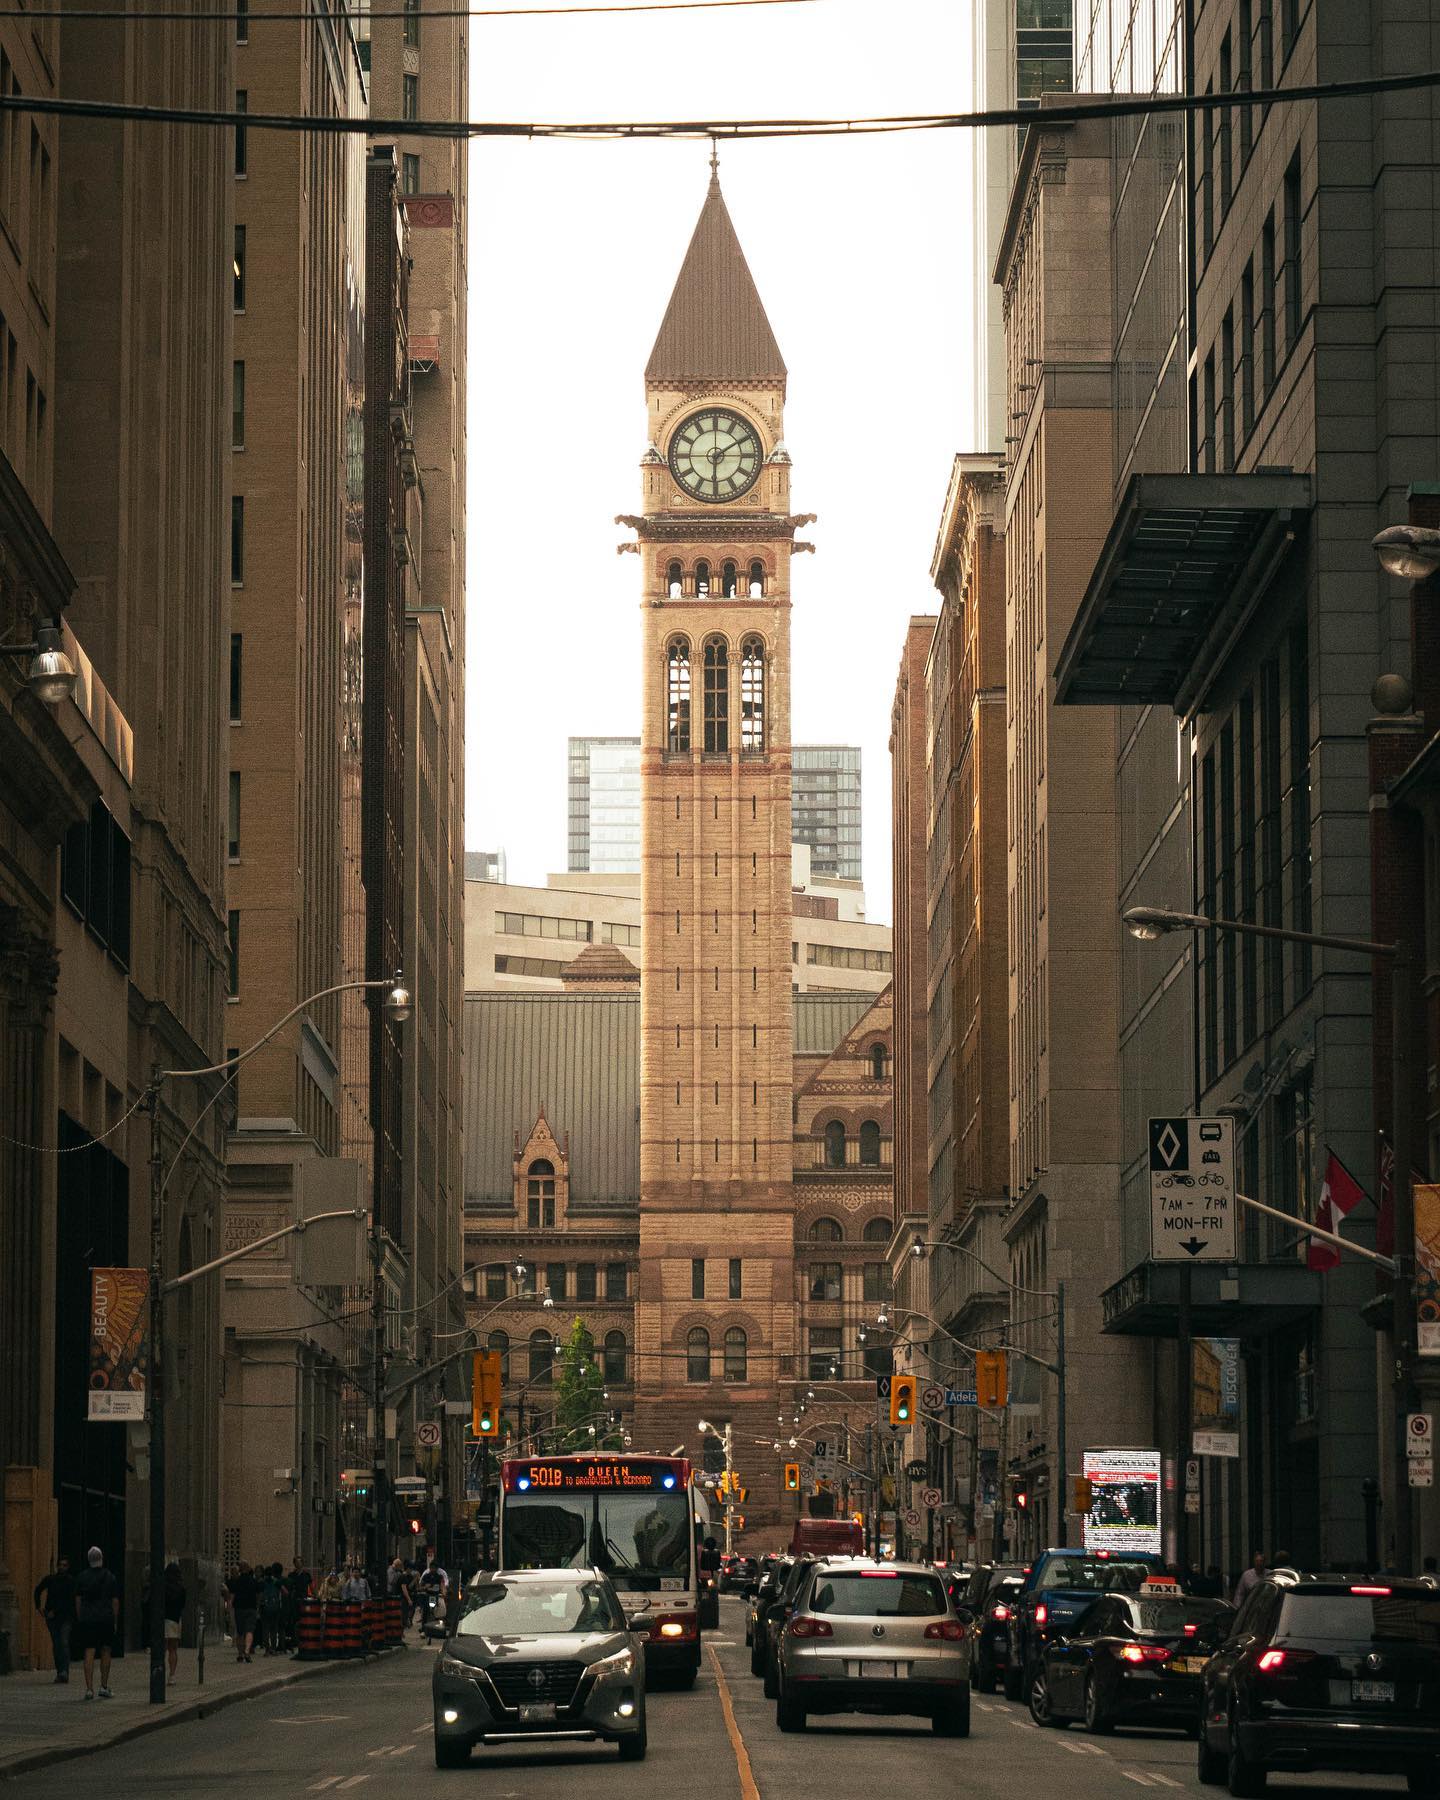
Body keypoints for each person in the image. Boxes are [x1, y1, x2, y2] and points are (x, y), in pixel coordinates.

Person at [73, 1545, 119, 1700]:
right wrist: (115, 1619)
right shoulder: (110, 1577)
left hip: (88, 1619)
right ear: (101, 1559)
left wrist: (81, 1616)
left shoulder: (82, 1577)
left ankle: (89, 1689)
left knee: (89, 1651)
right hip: (105, 1618)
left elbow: (78, 1600)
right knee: (106, 1651)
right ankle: (104, 1686)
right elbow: (115, 1601)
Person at [33, 1554, 75, 1684]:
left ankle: (64, 1672)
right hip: (52, 1619)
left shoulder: (70, 1581)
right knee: (57, 1645)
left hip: (65, 1617)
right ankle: (60, 1671)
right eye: (60, 1565)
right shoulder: (51, 1579)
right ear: (57, 1566)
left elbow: (69, 1600)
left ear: (68, 1567)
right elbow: (38, 1590)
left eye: (64, 1565)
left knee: (63, 1642)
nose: (62, 1567)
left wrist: (52, 1611)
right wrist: (39, 1607)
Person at [228, 1561, 260, 1663]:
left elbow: (232, 1596)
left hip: (239, 1608)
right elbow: (258, 1595)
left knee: (240, 1632)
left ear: (240, 1570)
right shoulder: (253, 1581)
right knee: (250, 1631)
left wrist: (230, 1606)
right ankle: (247, 1651)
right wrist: (257, 1606)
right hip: (251, 1608)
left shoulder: (236, 1581)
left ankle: (240, 1654)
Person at [162, 1562, 186, 1684]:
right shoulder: (181, 1588)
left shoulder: (162, 1586)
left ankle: (159, 1671)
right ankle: (172, 1675)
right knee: (173, 1649)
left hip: (162, 1618)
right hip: (175, 1619)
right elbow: (183, 1604)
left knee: (162, 1648)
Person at [259, 1562, 285, 1655]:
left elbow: (259, 1596)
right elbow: (285, 1591)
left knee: (265, 1629)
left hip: (265, 1608)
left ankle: (267, 1649)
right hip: (275, 1608)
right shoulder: (277, 1581)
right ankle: (273, 1649)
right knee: (274, 1629)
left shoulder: (262, 1582)